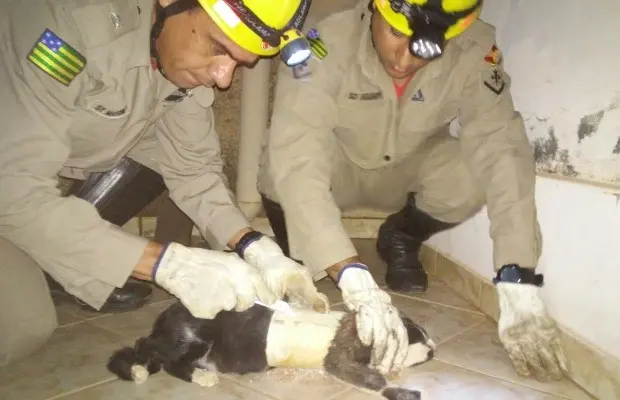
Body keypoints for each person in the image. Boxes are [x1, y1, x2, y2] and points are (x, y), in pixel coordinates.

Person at [0, 0, 328, 368]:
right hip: (11, 181)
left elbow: (194, 170)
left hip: (42, 173)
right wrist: (168, 265)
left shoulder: (175, 54)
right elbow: (13, 190)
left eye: (238, 63)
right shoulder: (63, 22)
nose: (223, 78)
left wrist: (255, 248)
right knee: (23, 324)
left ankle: (59, 262)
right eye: (219, 49)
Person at [257, 0, 570, 381]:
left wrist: (517, 277)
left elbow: (502, 149)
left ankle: (400, 237)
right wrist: (350, 274)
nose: (404, 61)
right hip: (334, 170)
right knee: (281, 161)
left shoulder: (472, 50)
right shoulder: (325, 42)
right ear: (374, 8)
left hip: (404, 171)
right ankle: (301, 256)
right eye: (394, 34)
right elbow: (299, 156)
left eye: (425, 48)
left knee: (474, 171)